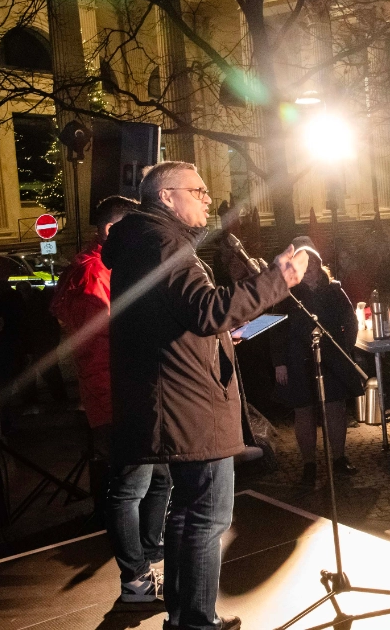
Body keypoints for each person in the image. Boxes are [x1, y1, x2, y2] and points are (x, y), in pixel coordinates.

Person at [103, 161, 310, 630]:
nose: (207, 198)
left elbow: (171, 320)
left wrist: (217, 336)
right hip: (187, 404)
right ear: (166, 196)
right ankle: (195, 621)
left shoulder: (143, 241)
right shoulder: (164, 242)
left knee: (186, 513)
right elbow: (206, 310)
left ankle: (185, 616)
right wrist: (278, 279)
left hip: (173, 398)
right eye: (197, 191)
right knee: (207, 516)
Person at [51, 195, 173, 603]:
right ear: (111, 230)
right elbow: (100, 345)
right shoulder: (93, 274)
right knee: (130, 486)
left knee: (158, 478)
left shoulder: (104, 268)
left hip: (127, 390)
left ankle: (150, 557)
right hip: (119, 396)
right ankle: (136, 578)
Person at [273, 244, 364, 488]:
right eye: (305, 263)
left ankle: (339, 458)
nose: (310, 267)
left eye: (313, 262)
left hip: (331, 357)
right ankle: (309, 465)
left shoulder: (333, 290)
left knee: (335, 408)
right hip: (298, 359)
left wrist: (345, 346)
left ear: (319, 265)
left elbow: (350, 320)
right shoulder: (288, 293)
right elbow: (277, 328)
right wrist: (279, 362)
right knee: (304, 411)